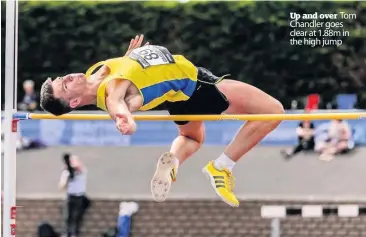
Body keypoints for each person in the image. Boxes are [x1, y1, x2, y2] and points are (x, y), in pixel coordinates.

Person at [40, 35, 284, 207]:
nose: (67, 77)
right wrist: (125, 120)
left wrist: (129, 57)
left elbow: (122, 74)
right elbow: (119, 105)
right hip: (197, 86)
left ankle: (173, 160)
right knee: (273, 111)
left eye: (61, 77)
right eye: (64, 84)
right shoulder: (111, 93)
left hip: (176, 97)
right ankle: (222, 167)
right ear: (73, 103)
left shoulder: (96, 74)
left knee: (191, 137)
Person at [59, 153, 88, 237]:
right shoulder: (66, 173)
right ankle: (65, 233)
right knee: (67, 216)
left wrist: (74, 169)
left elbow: (80, 168)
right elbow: (61, 186)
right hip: (70, 196)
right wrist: (67, 179)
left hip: (80, 196)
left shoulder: (82, 172)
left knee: (77, 216)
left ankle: (74, 234)